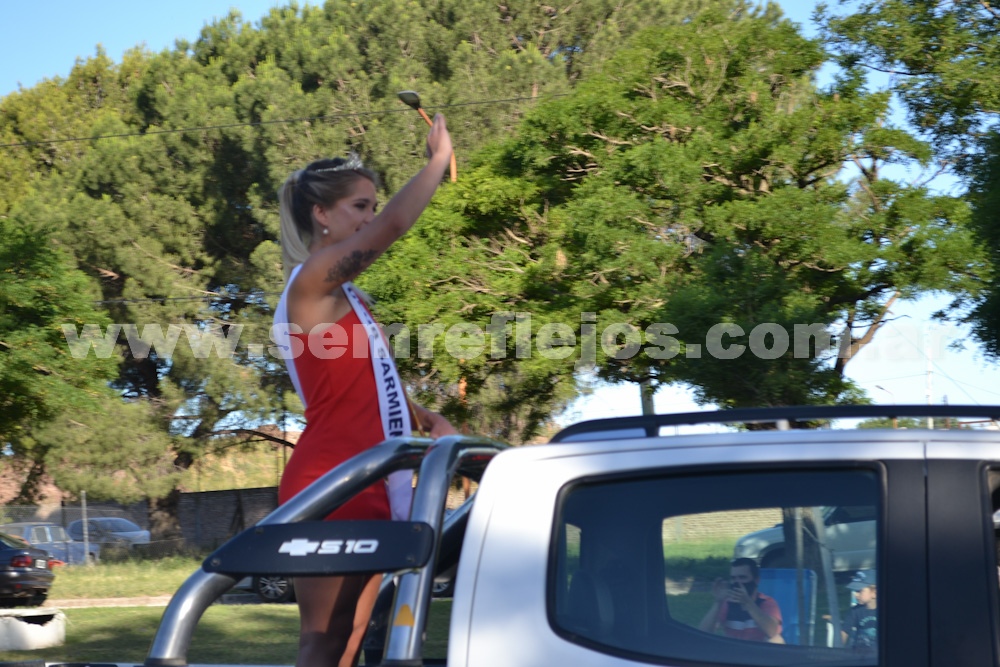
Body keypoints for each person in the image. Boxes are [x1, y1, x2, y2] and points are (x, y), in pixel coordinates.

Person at [273, 114, 458, 667]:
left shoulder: (350, 296)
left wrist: (425, 416)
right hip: (332, 480)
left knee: (353, 640)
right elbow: (397, 227)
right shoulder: (312, 282)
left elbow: (365, 386)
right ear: (321, 214)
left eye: (373, 206)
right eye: (359, 206)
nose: (370, 218)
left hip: (377, 475)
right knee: (323, 641)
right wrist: (437, 163)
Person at [699, 558, 783, 642]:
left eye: (742, 577)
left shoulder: (766, 602)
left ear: (756, 580)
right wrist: (718, 602)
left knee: (776, 640)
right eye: (733, 578)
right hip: (733, 651)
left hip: (758, 651)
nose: (737, 582)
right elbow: (703, 634)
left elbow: (772, 632)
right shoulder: (727, 603)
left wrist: (748, 603)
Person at [841, 570, 877, 653]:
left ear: (875, 593)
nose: (856, 594)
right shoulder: (855, 611)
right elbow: (844, 633)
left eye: (859, 591)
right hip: (858, 656)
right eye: (855, 591)